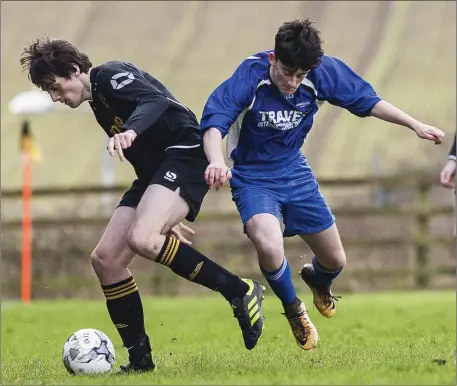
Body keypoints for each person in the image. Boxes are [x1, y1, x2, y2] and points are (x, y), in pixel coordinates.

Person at [20, 37, 265, 372]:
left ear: (74, 70)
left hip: (185, 153)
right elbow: (144, 154)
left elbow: (153, 101)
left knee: (143, 237)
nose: (55, 97)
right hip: (155, 172)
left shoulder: (110, 75)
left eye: (54, 86)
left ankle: (240, 290)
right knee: (105, 260)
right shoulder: (99, 104)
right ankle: (140, 362)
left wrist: (130, 131)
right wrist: (163, 209)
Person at [200, 18, 445, 351]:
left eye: (300, 76)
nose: (292, 82)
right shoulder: (250, 75)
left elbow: (368, 101)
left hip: (295, 172)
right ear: (273, 59)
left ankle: (317, 280)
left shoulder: (320, 73)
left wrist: (414, 124)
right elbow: (215, 121)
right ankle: (294, 310)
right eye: (287, 72)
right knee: (268, 243)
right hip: (253, 177)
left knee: (335, 260)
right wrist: (216, 160)